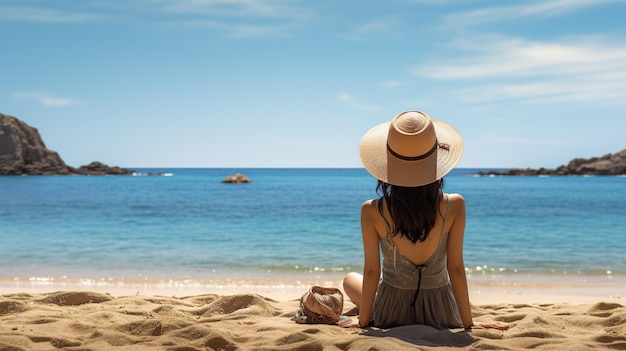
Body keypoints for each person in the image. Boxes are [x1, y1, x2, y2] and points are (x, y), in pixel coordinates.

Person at [342, 110, 507, 331]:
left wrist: (363, 322)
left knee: (349, 280)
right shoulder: (454, 205)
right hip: (441, 310)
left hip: (391, 311)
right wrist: (469, 323)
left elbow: (373, 271)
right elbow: (455, 268)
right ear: (435, 162)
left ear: (388, 162)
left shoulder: (372, 210)